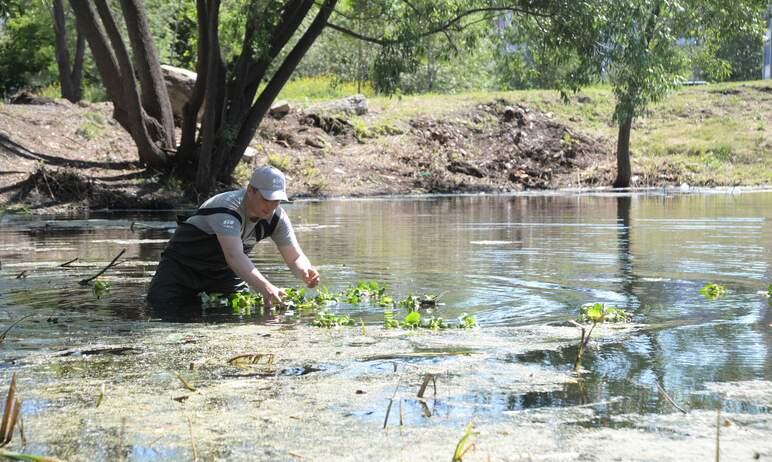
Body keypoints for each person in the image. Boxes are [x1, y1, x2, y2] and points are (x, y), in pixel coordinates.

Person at [147, 166, 319, 310]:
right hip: (180, 270)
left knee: (239, 310)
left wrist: (305, 271)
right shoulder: (227, 208)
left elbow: (295, 257)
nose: (271, 206)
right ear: (251, 190)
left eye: (277, 200)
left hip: (224, 274)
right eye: (267, 199)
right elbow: (234, 256)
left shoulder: (277, 218)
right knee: (162, 309)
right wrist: (266, 287)